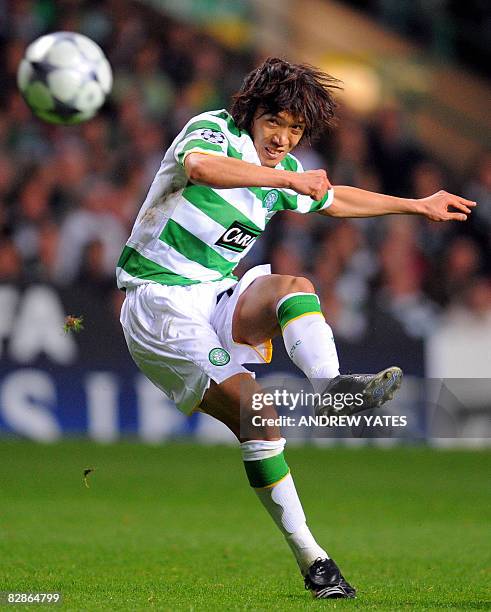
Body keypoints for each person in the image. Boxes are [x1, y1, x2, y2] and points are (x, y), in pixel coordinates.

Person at [116, 58, 475, 599]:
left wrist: (416, 205)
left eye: (295, 130)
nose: (283, 139)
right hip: (158, 302)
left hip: (213, 294)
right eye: (274, 124)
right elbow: (201, 169)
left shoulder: (277, 172)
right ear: (251, 114)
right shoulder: (215, 131)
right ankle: (314, 558)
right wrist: (287, 177)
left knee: (294, 288)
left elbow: (335, 199)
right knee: (258, 417)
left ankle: (333, 389)